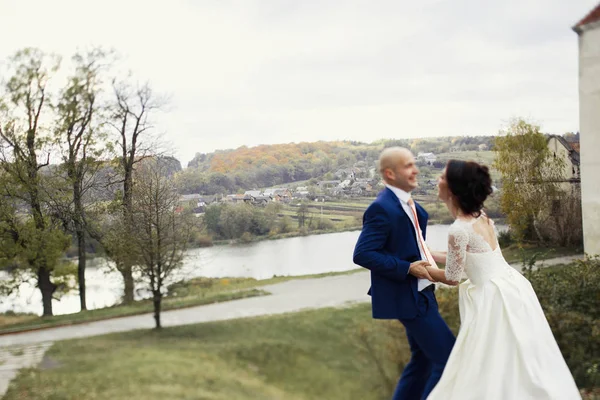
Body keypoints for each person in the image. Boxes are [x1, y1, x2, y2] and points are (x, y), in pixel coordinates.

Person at [426, 160, 581, 400]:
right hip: (512, 287)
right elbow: (467, 259)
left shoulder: (458, 229)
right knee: (518, 359)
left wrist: (420, 269)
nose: (438, 180)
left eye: (443, 177)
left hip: (493, 298)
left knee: (491, 362)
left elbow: (453, 277)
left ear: (453, 189)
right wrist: (426, 250)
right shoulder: (481, 217)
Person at [353, 147, 455, 400]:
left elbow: (419, 248)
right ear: (390, 173)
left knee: (422, 363)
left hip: (423, 293)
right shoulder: (381, 208)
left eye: (414, 164)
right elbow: (363, 254)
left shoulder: (413, 207)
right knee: (448, 360)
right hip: (406, 297)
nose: (416, 170)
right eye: (408, 166)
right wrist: (408, 268)